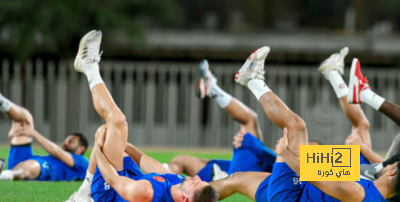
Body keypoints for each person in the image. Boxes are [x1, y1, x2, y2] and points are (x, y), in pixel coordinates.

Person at [209, 46, 399, 202]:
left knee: (296, 126)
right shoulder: (372, 189)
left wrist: (285, 153)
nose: (393, 163)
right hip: (302, 189)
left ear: (391, 174)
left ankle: (251, 79)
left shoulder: (359, 192)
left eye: (395, 164)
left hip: (291, 196)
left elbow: (311, 173)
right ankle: (190, 196)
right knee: (236, 179)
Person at [66, 30, 219, 202]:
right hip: (131, 180)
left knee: (116, 122)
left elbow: (112, 179)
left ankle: (89, 65)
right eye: (200, 180)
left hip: (109, 192)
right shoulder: (178, 184)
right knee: (112, 132)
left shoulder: (148, 192)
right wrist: (124, 145)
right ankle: (80, 196)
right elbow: (151, 166)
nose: (196, 177)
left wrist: (98, 147)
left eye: (195, 184)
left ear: (184, 198)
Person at [165, 59, 277, 182]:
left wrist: (253, 145)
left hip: (252, 175)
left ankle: (216, 86)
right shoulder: (301, 148)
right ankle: (161, 181)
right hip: (254, 169)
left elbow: (292, 166)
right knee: (181, 160)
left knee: (250, 120)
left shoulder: (300, 134)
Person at [0, 93, 89, 181]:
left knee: (34, 165)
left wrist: (33, 133)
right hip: (26, 159)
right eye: (66, 140)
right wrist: (13, 136)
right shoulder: (54, 157)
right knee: (26, 118)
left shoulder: (83, 162)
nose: (65, 143)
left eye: (70, 142)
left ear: (81, 149)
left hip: (43, 168)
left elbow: (58, 152)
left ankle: (5, 175)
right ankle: (2, 101)